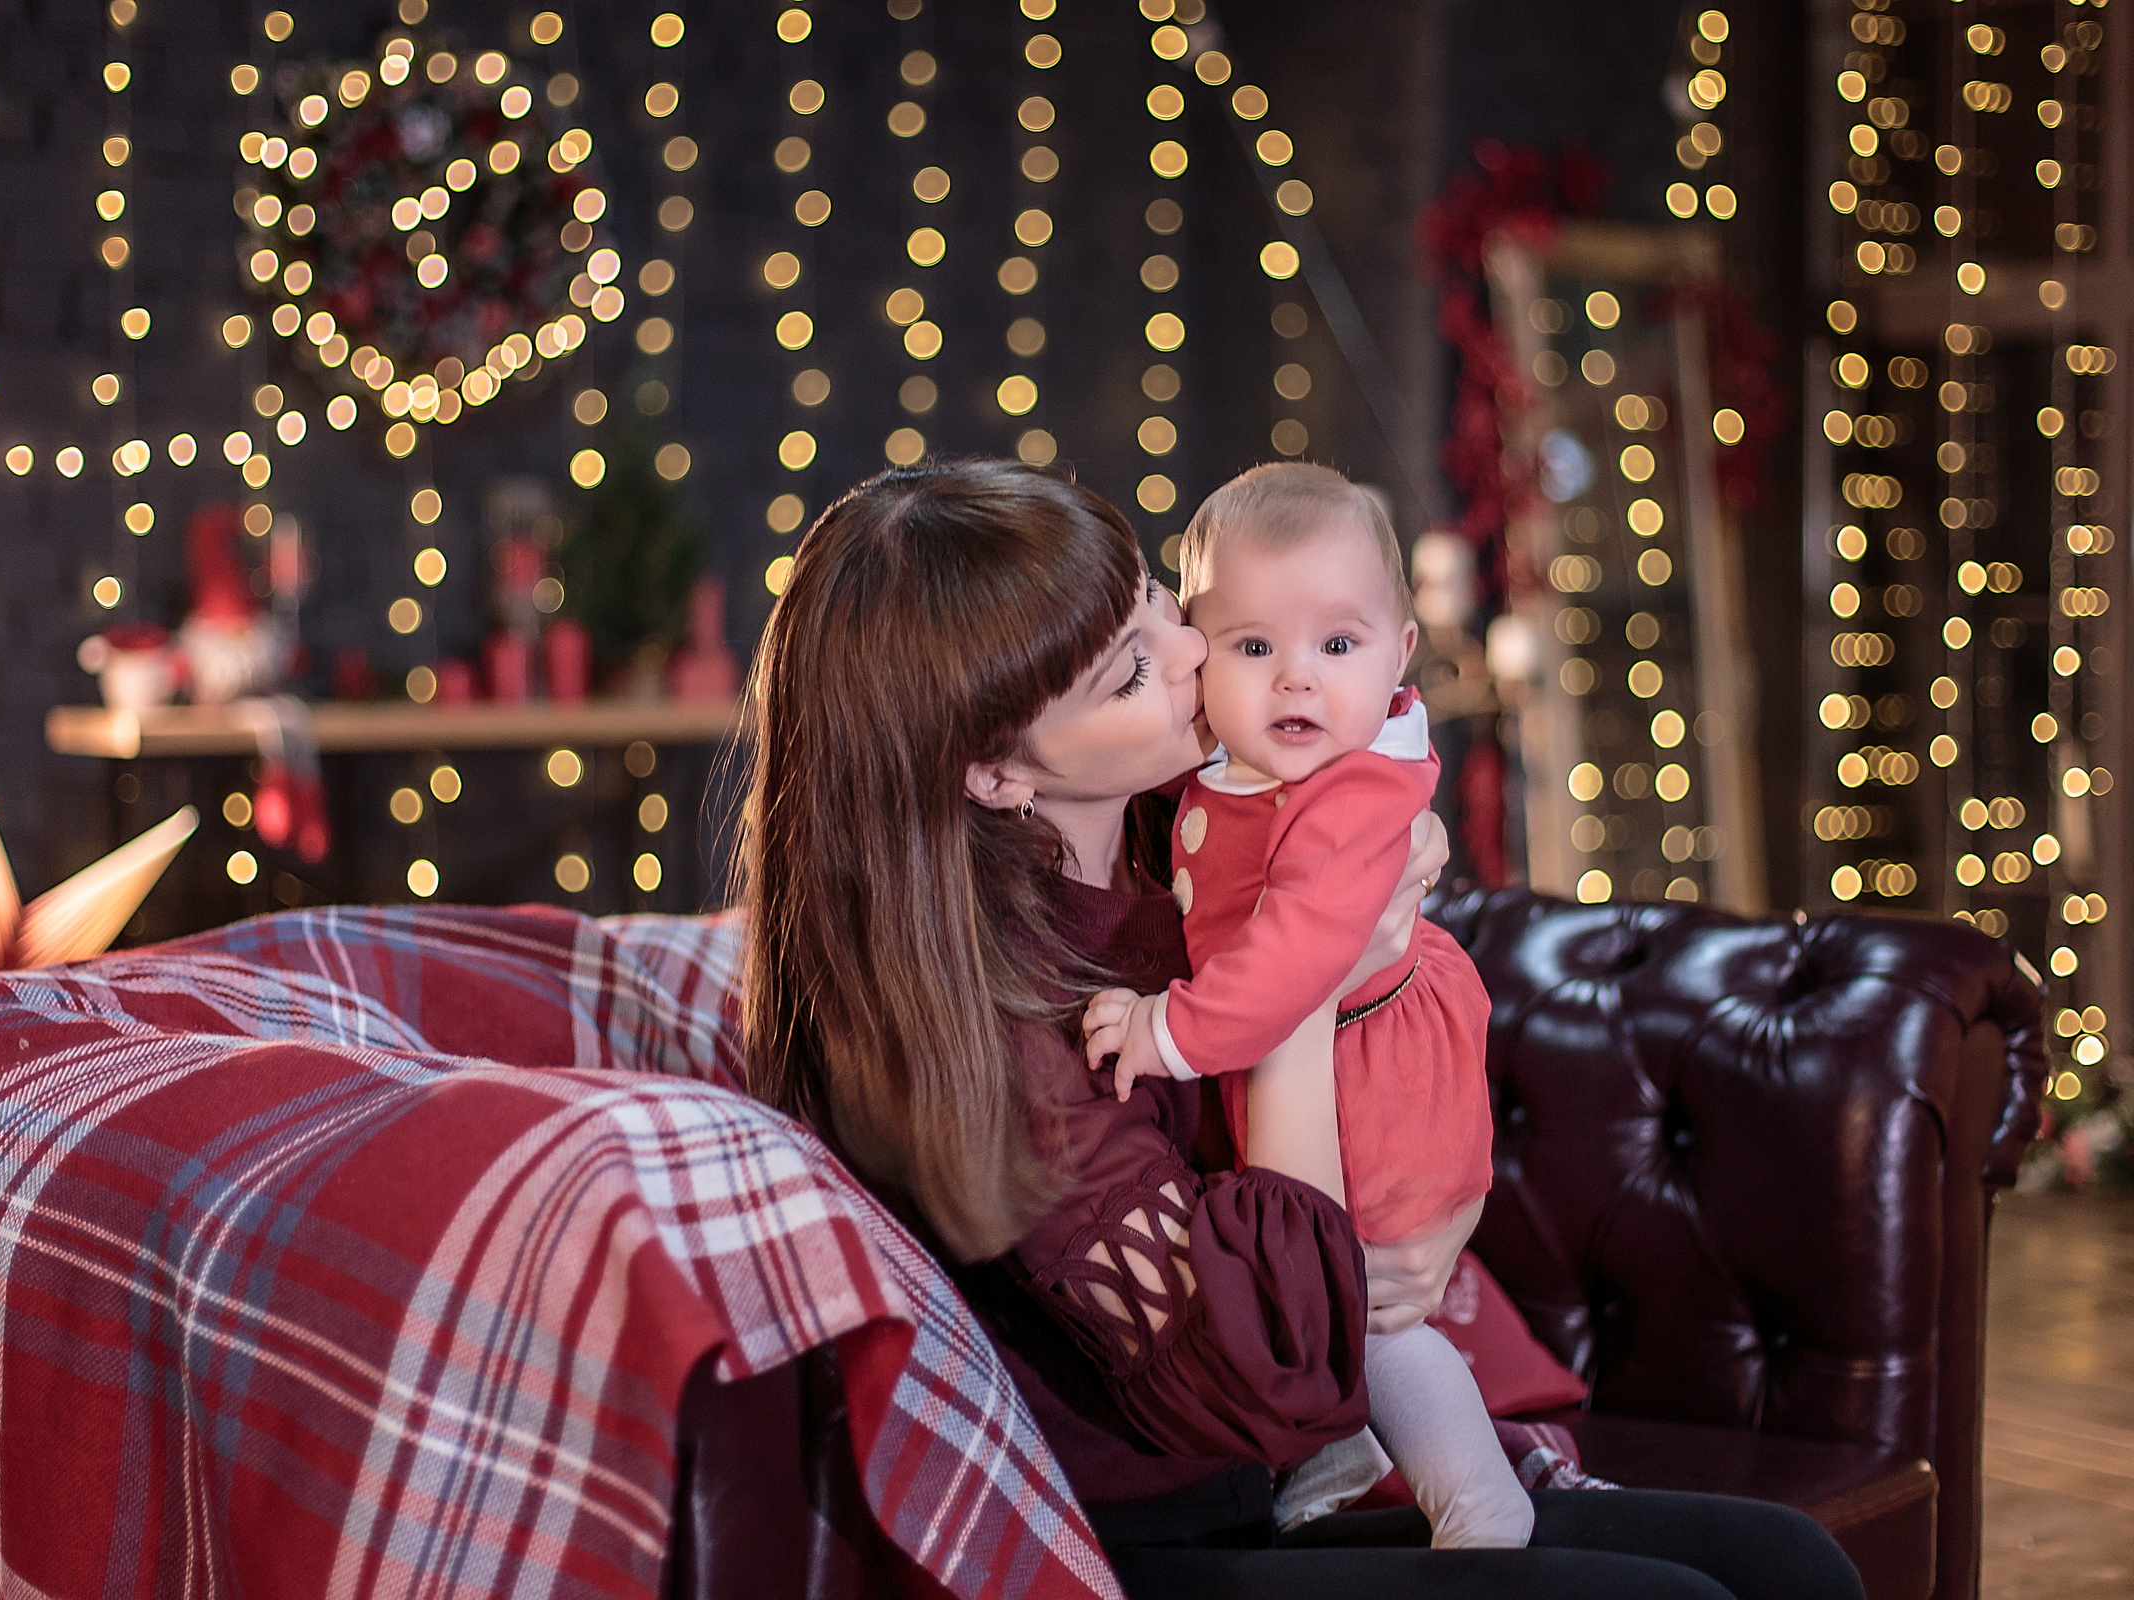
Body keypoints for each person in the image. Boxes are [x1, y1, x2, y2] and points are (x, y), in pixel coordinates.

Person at [740, 459, 1863, 1600]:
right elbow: (1283, 1370)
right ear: (993, 771)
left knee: (1791, 1567)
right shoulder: (1009, 1040)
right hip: (1144, 1547)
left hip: (1269, 1488)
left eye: (1155, 603)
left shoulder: (1166, 833)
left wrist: (1380, 896)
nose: (1195, 651)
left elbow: (1373, 888)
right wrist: (1299, 993)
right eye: (1132, 670)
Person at [1082, 463, 1525, 1546]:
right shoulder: (1216, 780)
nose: (1296, 684)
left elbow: (1287, 966)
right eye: (1250, 647)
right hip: (1321, 1072)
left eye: (1339, 647)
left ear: (1399, 658)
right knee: (1341, 1282)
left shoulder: (1345, 796)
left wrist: (1162, 1031)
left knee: (1364, 1289)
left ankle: (1475, 1496)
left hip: (1371, 1069)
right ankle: (1335, 1451)